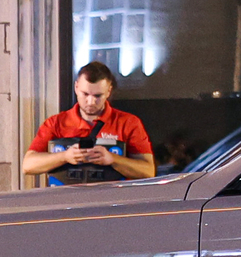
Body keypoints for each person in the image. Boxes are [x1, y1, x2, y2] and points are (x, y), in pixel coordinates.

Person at [23, 62, 154, 185]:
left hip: (111, 203)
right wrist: (64, 156)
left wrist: (113, 159)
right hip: (66, 202)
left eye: (98, 96)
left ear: (108, 91)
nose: (90, 102)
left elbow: (148, 171)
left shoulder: (128, 123)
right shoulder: (56, 123)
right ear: (76, 87)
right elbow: (28, 165)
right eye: (85, 94)